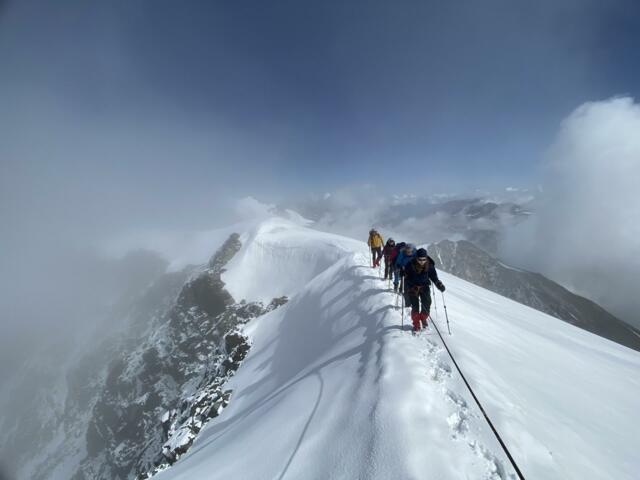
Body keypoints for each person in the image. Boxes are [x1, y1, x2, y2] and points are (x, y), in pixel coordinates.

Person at [403, 248, 445, 332]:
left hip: (425, 286)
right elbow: (406, 277)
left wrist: (438, 284)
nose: (422, 261)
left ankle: (423, 318)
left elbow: (433, 277)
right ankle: (416, 323)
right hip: (413, 287)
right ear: (416, 258)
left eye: (424, 259)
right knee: (415, 306)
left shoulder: (429, 265)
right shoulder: (410, 265)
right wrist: (403, 273)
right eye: (420, 259)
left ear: (426, 258)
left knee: (427, 303)